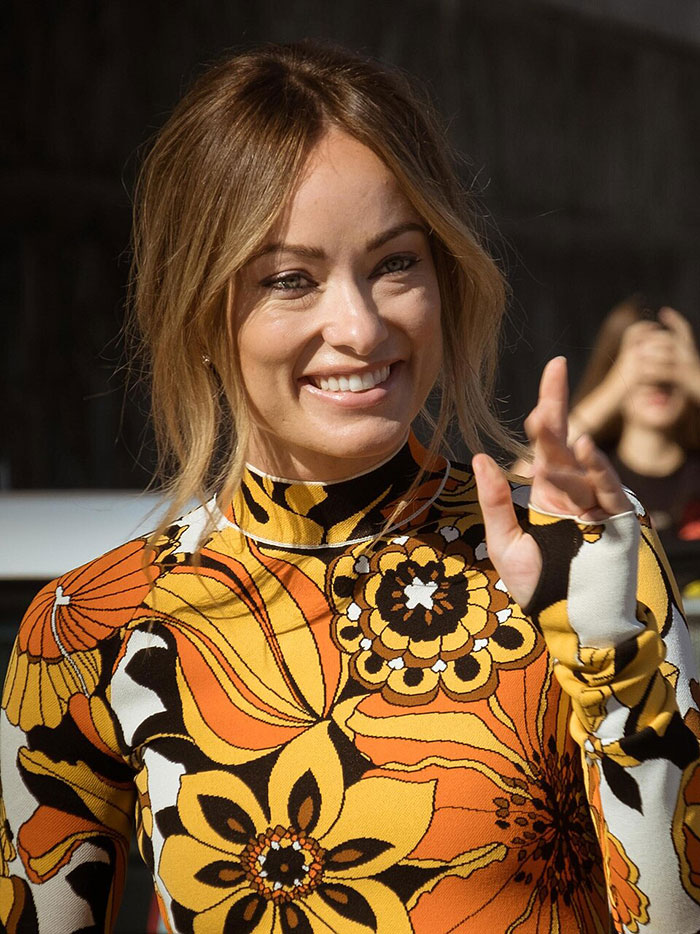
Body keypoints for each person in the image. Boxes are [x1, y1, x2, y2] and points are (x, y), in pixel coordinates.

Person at [1, 41, 699, 934]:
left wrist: (626, 663)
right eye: (291, 279)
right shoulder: (87, 630)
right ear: (201, 314)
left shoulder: (573, 570)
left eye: (395, 263)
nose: (361, 326)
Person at [569, 298, 700, 548]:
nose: (656, 378)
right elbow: (518, 483)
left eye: (669, 365)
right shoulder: (586, 472)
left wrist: (693, 376)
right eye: (642, 368)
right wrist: (615, 386)